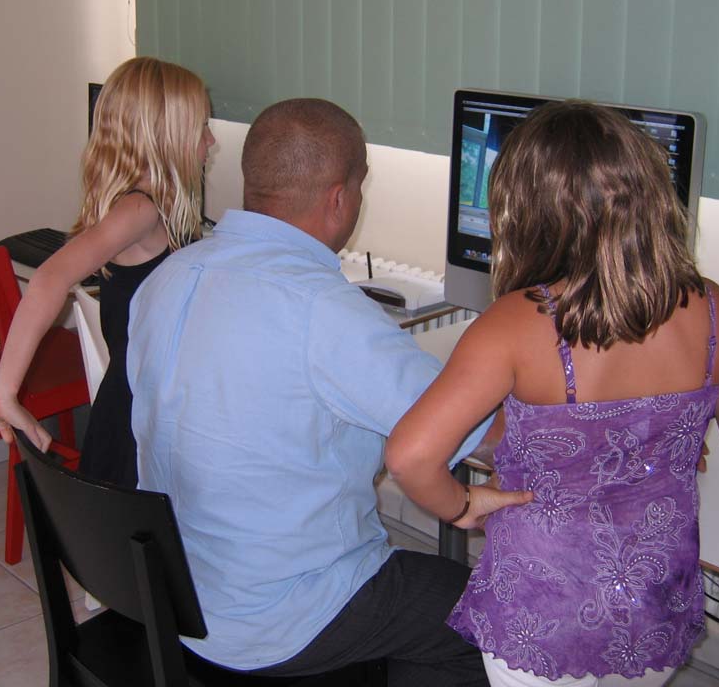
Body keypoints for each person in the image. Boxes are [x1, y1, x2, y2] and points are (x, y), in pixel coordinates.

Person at [385, 100, 719, 687]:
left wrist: (463, 505)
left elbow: (411, 456)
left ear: (523, 214)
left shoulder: (514, 324)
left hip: (541, 615)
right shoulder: (714, 311)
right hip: (651, 599)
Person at [127, 98, 531, 685]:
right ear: (340, 198)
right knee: (509, 622)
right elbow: (481, 436)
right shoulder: (325, 312)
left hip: (177, 593)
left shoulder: (166, 277)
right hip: (282, 620)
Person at [0, 56, 215, 487]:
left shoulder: (149, 206)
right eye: (201, 126)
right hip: (134, 419)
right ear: (167, 136)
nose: (211, 140)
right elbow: (50, 278)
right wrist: (5, 393)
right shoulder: (140, 209)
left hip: (144, 403)